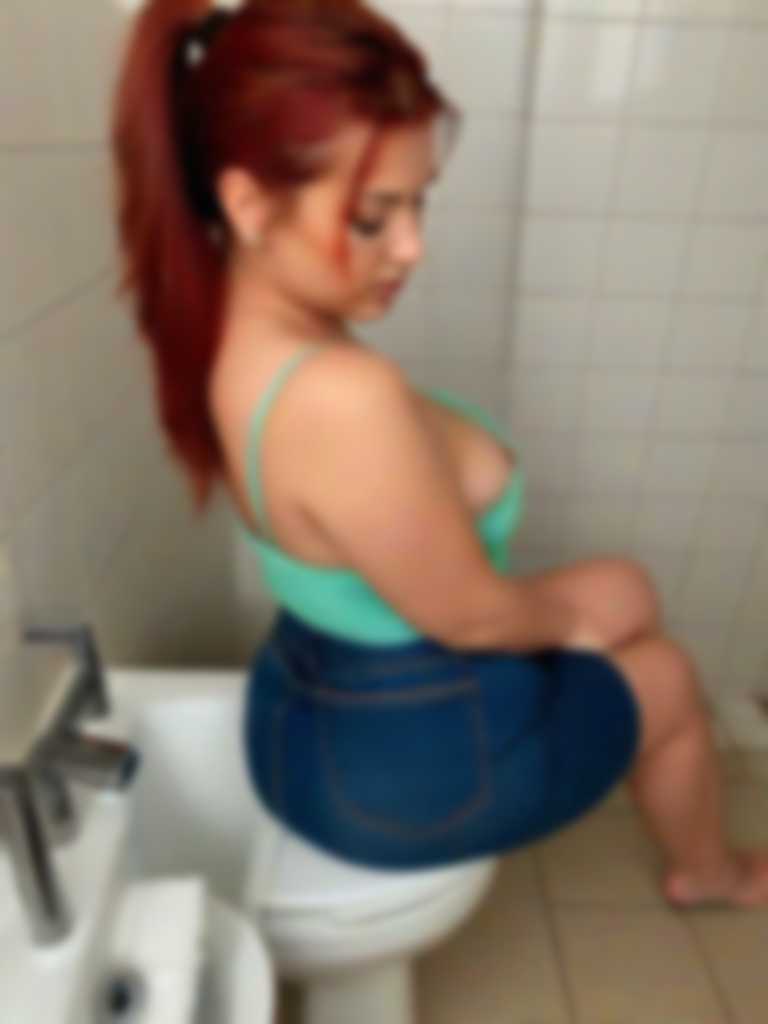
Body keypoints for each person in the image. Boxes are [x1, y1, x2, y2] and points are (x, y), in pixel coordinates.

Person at [110, 0, 768, 908]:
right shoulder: (341, 397)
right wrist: (567, 635)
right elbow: (475, 620)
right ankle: (711, 874)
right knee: (669, 677)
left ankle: (631, 752)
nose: (412, 247)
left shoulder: (231, 323)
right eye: (374, 217)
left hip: (308, 685)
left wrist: (566, 623)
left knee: (627, 589)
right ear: (250, 204)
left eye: (419, 202)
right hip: (393, 765)